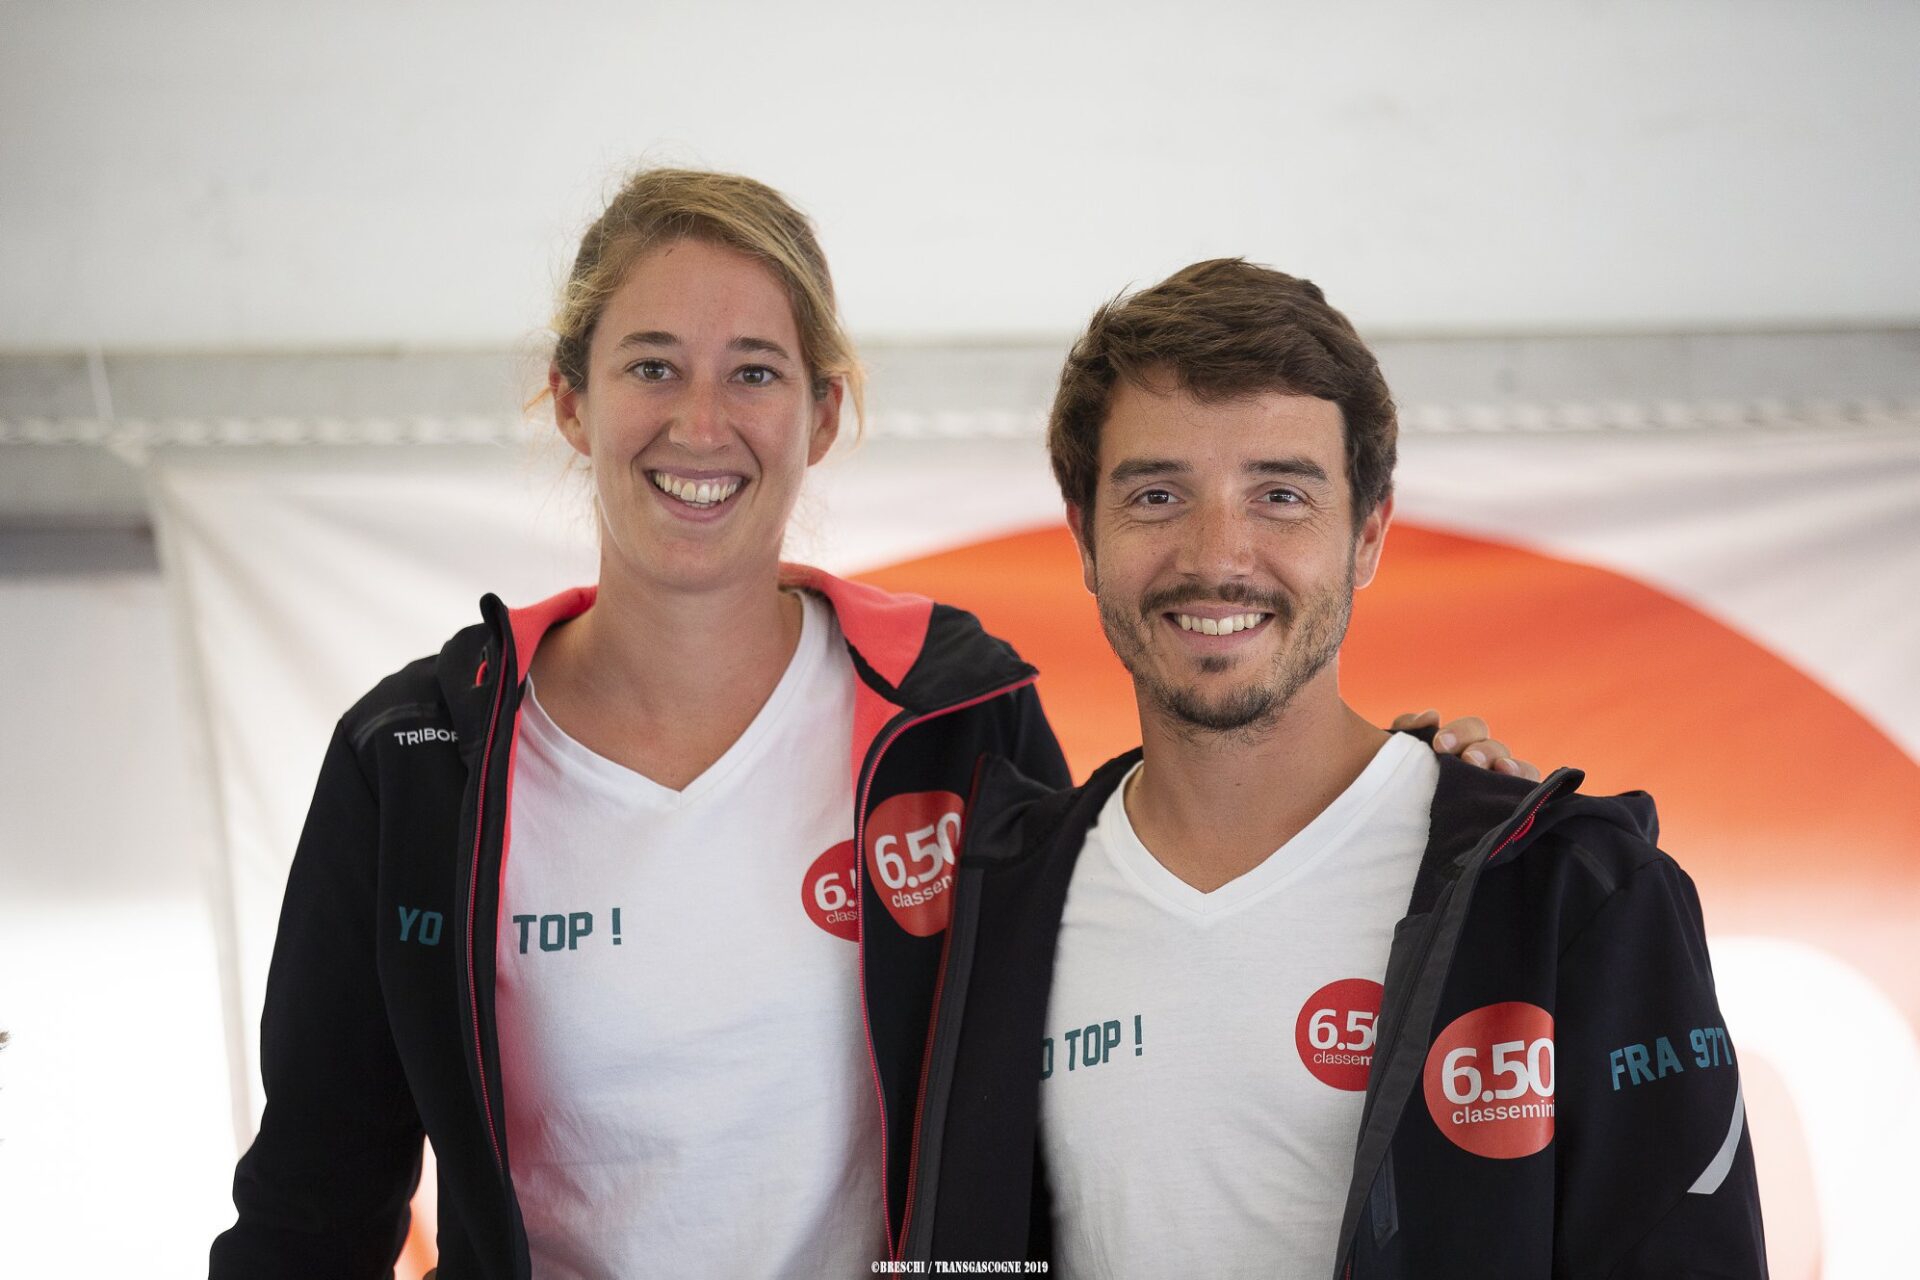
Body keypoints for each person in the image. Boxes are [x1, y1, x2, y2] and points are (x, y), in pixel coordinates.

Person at [208, 172, 1528, 1279]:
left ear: (824, 413)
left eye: (755, 371)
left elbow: (1110, 968)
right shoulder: (419, 760)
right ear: (571, 397)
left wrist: (1426, 805)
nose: (701, 422)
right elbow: (314, 1205)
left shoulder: (954, 714)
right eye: (652, 365)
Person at [905, 260, 1767, 1277]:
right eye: (1156, 494)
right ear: (1085, 538)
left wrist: (1489, 832)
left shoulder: (1569, 892)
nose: (1217, 554)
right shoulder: (988, 908)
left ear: (1367, 536)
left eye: (1280, 494)